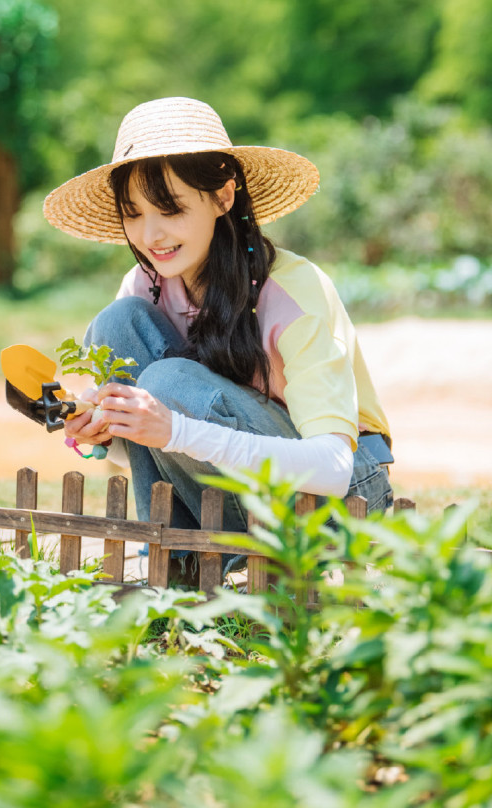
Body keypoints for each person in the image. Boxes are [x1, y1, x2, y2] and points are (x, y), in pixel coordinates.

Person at [43, 97, 393, 580]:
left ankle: (255, 568)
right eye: (133, 213)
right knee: (116, 324)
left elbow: (332, 467)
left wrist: (176, 429)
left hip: (339, 499)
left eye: (170, 208)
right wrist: (101, 434)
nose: (151, 235)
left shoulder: (294, 291)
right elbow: (149, 451)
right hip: (230, 501)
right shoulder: (144, 287)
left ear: (224, 197)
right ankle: (180, 568)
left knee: (166, 380)